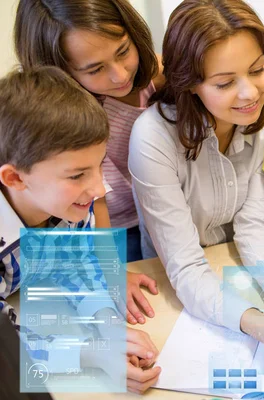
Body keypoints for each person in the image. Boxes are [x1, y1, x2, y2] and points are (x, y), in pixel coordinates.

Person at [129, 0, 264, 368]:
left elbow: (254, 227)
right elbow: (185, 268)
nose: (250, 93)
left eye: (257, 70)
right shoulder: (152, 138)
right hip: (177, 286)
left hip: (238, 267)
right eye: (225, 82)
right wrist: (259, 325)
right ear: (190, 83)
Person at [0, 66, 161, 393]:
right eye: (77, 176)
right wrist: (91, 354)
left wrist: (108, 326)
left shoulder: (69, 208)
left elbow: (78, 265)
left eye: (98, 166)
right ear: (15, 178)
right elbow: (6, 347)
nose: (99, 188)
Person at [14, 0, 164, 324]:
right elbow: (97, 201)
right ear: (60, 71)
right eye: (95, 69)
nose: (120, 74)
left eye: (123, 51)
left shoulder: (156, 76)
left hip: (153, 214)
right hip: (102, 231)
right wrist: (111, 271)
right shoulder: (66, 124)